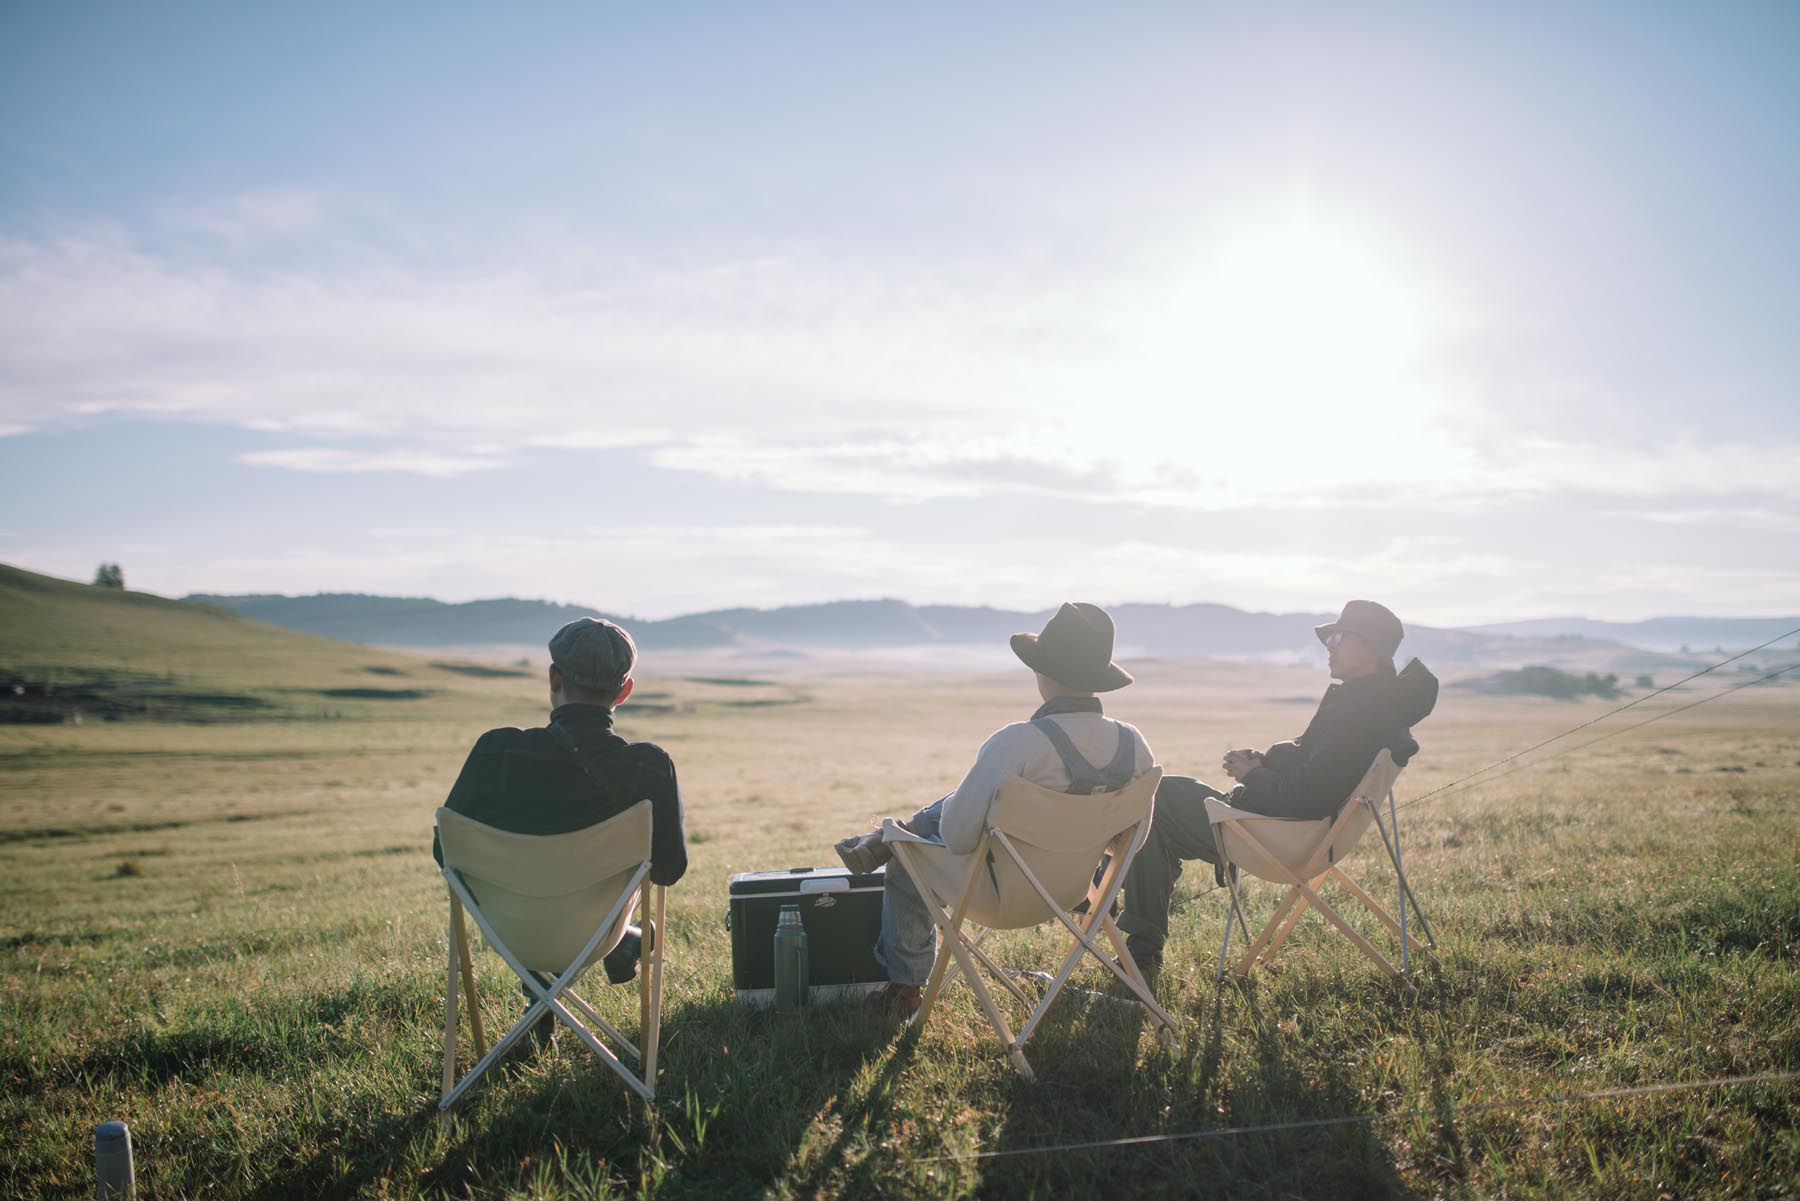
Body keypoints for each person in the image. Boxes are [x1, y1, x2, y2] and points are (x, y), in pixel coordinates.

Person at [835, 602, 1157, 1018]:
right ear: (1097, 680)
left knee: (907, 855)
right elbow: (1133, 842)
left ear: (1044, 675)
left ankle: (904, 988)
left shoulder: (1016, 743)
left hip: (999, 898)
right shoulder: (1135, 745)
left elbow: (957, 836)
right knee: (959, 809)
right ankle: (898, 831)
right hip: (1076, 893)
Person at [1117, 599, 1438, 975]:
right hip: (1298, 832)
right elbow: (1314, 766)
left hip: (1279, 836)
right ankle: (1128, 922)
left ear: (1370, 647)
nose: (1329, 645)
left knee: (1158, 801)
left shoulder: (1360, 712)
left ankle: (1134, 944)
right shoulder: (1370, 704)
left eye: (1339, 636)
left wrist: (1254, 774)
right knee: (1166, 806)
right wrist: (1260, 761)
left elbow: (1306, 795)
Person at [433, 616, 687, 1044]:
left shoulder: (497, 751)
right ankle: (624, 939)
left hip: (510, 932)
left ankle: (541, 988)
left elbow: (446, 855)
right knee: (594, 906)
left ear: (554, 678)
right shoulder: (649, 766)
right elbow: (667, 870)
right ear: (624, 692)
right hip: (596, 934)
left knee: (535, 884)